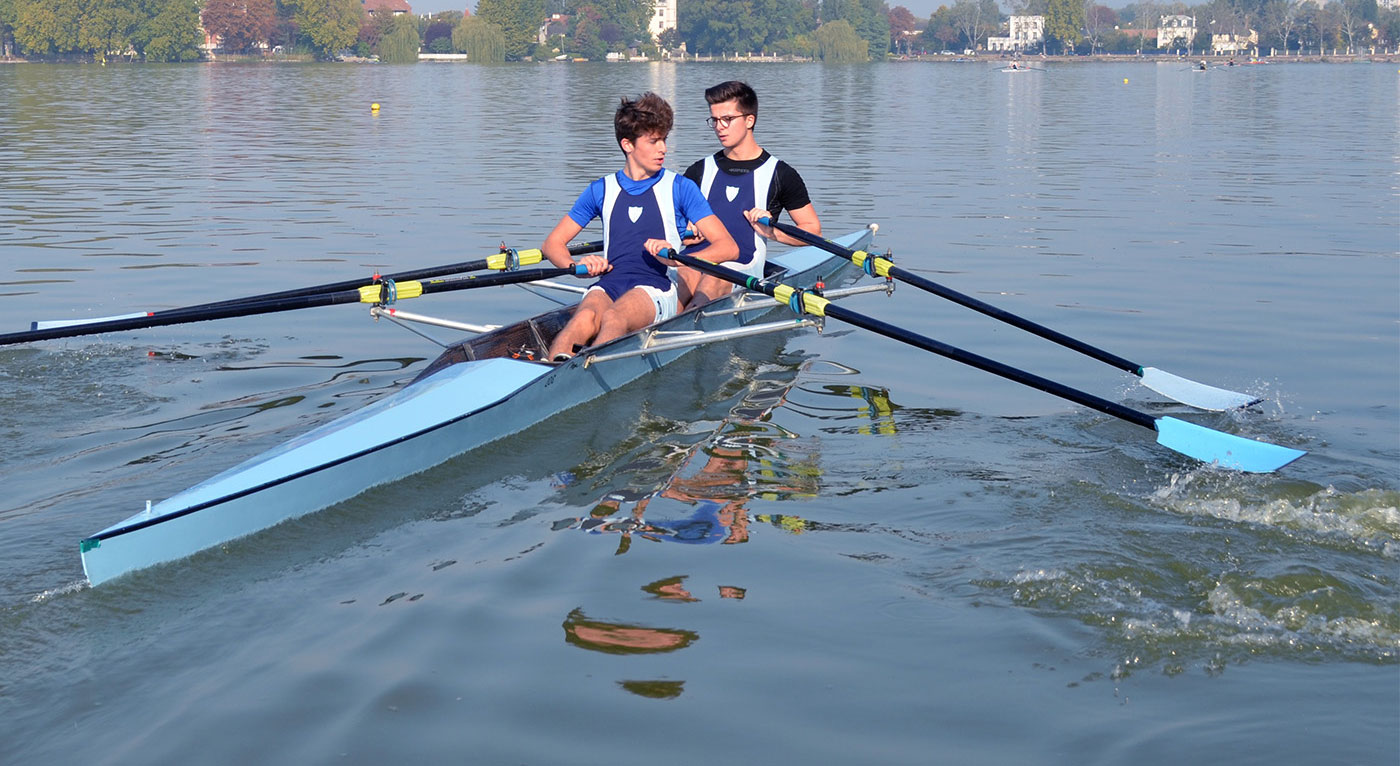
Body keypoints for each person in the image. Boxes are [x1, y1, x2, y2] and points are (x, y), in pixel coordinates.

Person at [542, 93, 738, 361]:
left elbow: (728, 246)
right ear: (628, 144)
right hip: (610, 280)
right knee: (581, 319)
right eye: (654, 141)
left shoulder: (680, 188)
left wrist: (678, 260)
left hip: (657, 285)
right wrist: (575, 268)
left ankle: (585, 372)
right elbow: (552, 244)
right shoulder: (600, 190)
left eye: (664, 139)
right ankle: (551, 372)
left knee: (614, 317)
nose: (663, 149)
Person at [678, 81, 821, 307]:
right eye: (714, 120)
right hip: (694, 259)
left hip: (742, 267)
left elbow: (813, 230)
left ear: (749, 120)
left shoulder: (781, 174)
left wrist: (773, 233)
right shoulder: (698, 171)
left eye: (727, 119)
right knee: (680, 277)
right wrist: (684, 230)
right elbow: (673, 223)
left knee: (714, 278)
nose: (719, 127)